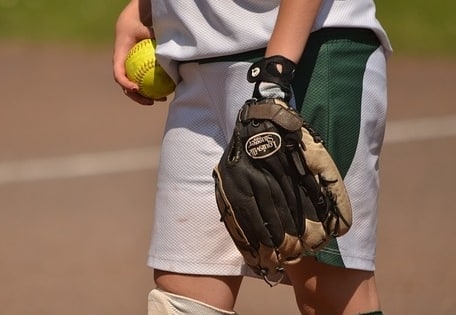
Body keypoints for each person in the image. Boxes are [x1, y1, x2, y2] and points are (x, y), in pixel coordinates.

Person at [113, 0, 392, 314]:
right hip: (195, 62)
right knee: (182, 296)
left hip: (304, 54)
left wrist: (278, 69)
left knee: (326, 292)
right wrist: (146, 8)